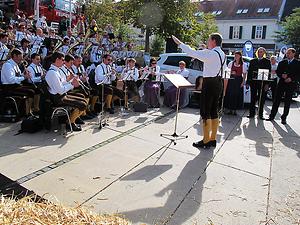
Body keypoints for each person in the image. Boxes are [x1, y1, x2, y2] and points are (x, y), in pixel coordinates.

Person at [172, 33, 226, 149]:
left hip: (210, 83)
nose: (207, 42)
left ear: (213, 41)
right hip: (218, 82)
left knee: (206, 111)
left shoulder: (211, 53)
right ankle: (212, 139)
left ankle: (205, 140)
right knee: (214, 111)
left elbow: (193, 53)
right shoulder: (223, 54)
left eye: (208, 39)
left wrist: (180, 43)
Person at [45, 51, 87, 131]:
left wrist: (70, 81)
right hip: (58, 98)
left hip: (61, 95)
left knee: (83, 98)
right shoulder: (52, 73)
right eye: (63, 60)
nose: (64, 62)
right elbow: (60, 90)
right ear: (57, 59)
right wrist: (72, 85)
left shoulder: (56, 71)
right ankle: (70, 122)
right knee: (82, 104)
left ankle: (72, 120)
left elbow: (62, 83)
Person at [267, 48, 300, 124]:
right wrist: (281, 75)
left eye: (289, 53)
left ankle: (284, 118)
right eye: (287, 53)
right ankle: (272, 116)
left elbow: (298, 74)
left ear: (293, 54)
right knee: (276, 100)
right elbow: (278, 71)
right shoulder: (282, 62)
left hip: (291, 84)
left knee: (287, 102)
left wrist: (291, 79)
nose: (287, 54)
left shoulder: (297, 63)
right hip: (281, 84)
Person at [1, 48, 35, 115]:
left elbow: (18, 76)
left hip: (16, 85)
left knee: (34, 88)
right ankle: (27, 112)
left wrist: (24, 74)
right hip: (8, 87)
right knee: (31, 92)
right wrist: (24, 77)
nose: (22, 59)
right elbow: (11, 80)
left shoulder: (15, 65)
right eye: (20, 57)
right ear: (14, 56)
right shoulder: (8, 65)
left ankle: (34, 108)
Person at [246, 47, 271, 119]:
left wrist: (267, 84)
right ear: (257, 52)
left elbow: (268, 73)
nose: (260, 53)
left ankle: (260, 114)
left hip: (262, 83)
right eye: (259, 51)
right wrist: (248, 82)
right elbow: (249, 72)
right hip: (253, 82)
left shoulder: (267, 61)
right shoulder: (253, 61)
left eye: (262, 52)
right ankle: (251, 114)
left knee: (261, 99)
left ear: (264, 53)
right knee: (253, 98)